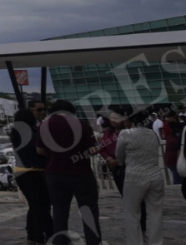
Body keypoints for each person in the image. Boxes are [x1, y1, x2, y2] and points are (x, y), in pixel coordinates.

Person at [37, 99, 101, 245]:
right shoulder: (82, 125)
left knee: (59, 212)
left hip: (55, 174)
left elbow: (39, 150)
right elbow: (93, 149)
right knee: (89, 211)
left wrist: (55, 156)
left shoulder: (44, 126)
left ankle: (60, 241)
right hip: (81, 173)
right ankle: (93, 242)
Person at [117, 108, 165, 245]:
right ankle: (157, 242)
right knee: (156, 213)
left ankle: (135, 242)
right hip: (156, 176)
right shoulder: (152, 134)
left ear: (131, 120)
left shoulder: (125, 133)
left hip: (134, 178)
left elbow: (119, 157)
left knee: (132, 213)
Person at [11, 106, 53, 244]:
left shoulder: (15, 133)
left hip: (20, 172)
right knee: (41, 205)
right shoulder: (34, 132)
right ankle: (38, 235)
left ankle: (35, 235)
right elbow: (40, 151)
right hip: (35, 171)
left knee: (34, 205)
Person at [102, 106, 146, 235]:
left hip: (130, 168)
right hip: (116, 169)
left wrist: (119, 160)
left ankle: (140, 228)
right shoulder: (108, 133)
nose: (114, 120)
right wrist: (108, 158)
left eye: (117, 118)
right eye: (112, 118)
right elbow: (102, 148)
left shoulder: (132, 132)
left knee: (137, 199)